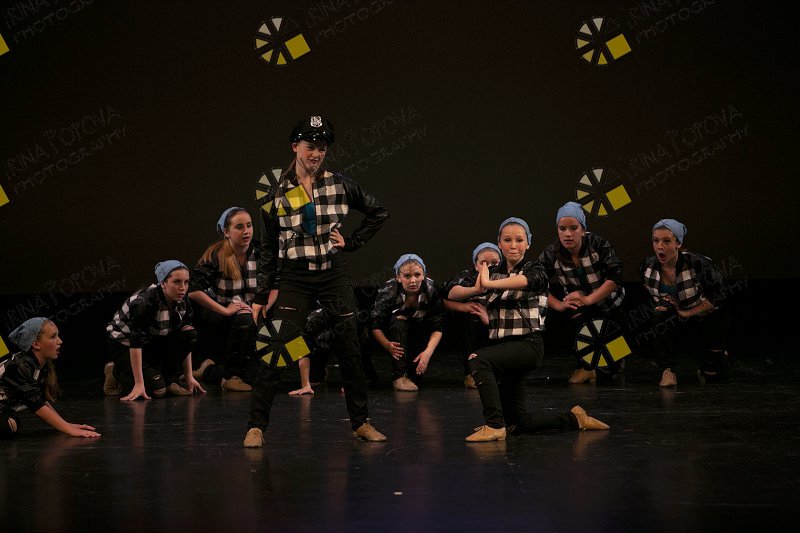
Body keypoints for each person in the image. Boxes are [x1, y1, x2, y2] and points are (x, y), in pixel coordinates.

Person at [244, 115, 389, 447]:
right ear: (295, 146)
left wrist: (351, 242)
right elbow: (269, 246)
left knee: (349, 343)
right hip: (295, 275)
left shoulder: (340, 184)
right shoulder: (275, 188)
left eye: (322, 148)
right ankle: (256, 426)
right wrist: (262, 294)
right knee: (278, 346)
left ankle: (361, 423)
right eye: (310, 146)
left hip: (332, 272)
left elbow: (379, 211)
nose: (316, 154)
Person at [448, 217, 609, 442]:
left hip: (527, 346)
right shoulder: (491, 272)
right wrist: (476, 288)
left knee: (478, 360)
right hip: (503, 349)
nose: (513, 245)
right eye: (507, 240)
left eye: (519, 240)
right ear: (499, 243)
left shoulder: (535, 268)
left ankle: (494, 425)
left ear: (528, 244)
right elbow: (451, 292)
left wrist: (489, 285)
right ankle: (575, 419)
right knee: (517, 423)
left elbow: (527, 281)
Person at [539, 201, 626, 383]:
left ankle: (613, 365)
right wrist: (559, 305)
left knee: (614, 362)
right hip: (579, 304)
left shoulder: (599, 245)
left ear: (583, 229)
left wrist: (588, 299)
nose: (567, 234)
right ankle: (587, 367)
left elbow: (615, 278)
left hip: (609, 301)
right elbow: (535, 282)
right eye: (562, 229)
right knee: (578, 321)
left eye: (573, 228)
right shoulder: (552, 253)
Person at [640, 219, 730, 387]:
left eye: (667, 241)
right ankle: (667, 370)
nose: (660, 246)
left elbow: (718, 298)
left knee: (713, 374)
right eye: (655, 240)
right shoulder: (648, 267)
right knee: (658, 315)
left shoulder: (698, 264)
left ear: (678, 243)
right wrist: (666, 303)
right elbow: (648, 287)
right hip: (676, 316)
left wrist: (686, 313)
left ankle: (718, 355)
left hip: (706, 317)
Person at [106, 261, 206, 401]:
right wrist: (139, 383)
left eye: (186, 282)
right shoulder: (146, 302)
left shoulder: (182, 300)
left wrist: (189, 377)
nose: (183, 288)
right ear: (163, 283)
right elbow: (136, 342)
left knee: (189, 334)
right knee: (157, 390)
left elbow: (186, 338)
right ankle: (117, 373)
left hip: (151, 341)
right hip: (124, 345)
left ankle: (168, 381)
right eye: (176, 282)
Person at [188, 207, 261, 392]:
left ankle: (209, 370)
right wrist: (226, 310)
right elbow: (193, 290)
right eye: (239, 227)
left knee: (258, 374)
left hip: (253, 309)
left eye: (249, 225)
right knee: (244, 318)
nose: (246, 231)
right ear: (227, 232)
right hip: (222, 314)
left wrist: (260, 307)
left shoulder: (259, 251)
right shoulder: (217, 254)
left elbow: (275, 281)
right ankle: (230, 377)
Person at [1, 318, 100, 438]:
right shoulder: (20, 366)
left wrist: (66, 425)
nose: (60, 341)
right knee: (10, 425)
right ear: (36, 344)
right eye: (53, 337)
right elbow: (35, 405)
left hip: (5, 410)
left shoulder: (40, 366)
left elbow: (40, 400)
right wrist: (69, 430)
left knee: (12, 423)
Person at [371, 254, 445, 392]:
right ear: (398, 278)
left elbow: (438, 326)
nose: (413, 280)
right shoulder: (389, 292)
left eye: (417, 275)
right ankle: (399, 376)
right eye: (407, 276)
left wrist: (427, 352)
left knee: (416, 377)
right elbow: (376, 326)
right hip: (394, 330)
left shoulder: (431, 290)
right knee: (399, 323)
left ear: (424, 275)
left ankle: (410, 372)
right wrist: (387, 344)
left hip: (420, 329)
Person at [442, 242, 502, 388]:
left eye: (494, 263)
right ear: (476, 266)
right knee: (473, 319)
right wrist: (465, 304)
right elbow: (444, 297)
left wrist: (490, 320)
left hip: (498, 322)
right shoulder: (468, 277)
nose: (489, 267)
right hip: (473, 324)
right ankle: (472, 374)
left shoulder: (506, 277)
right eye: (484, 263)